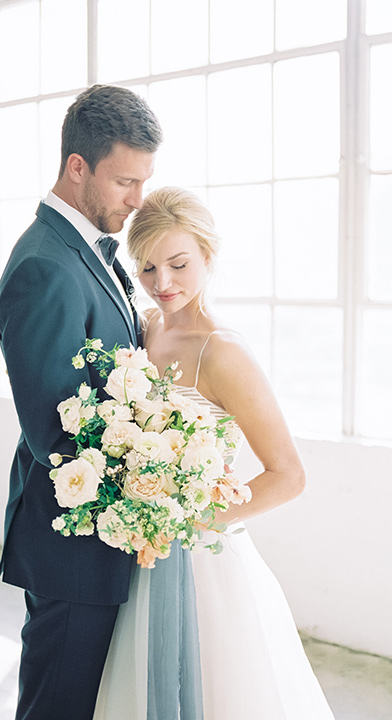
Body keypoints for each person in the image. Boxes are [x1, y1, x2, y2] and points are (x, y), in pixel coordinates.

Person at [93, 186, 335, 719]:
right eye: (148, 269)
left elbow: (289, 475)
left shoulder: (222, 350)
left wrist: (186, 518)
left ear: (208, 253)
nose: (163, 284)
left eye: (178, 264)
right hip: (138, 553)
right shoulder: (148, 325)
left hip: (201, 559)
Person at [0, 84, 162, 720]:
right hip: (72, 543)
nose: (137, 200)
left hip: (103, 535)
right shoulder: (44, 265)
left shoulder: (85, 250)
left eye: (144, 182)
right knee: (57, 705)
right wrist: (156, 475)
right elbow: (53, 430)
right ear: (77, 166)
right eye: (124, 181)